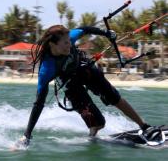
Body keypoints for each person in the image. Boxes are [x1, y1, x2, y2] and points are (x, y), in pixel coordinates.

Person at [17, 25, 150, 147]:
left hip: (85, 70)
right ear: (53, 44)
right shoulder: (47, 69)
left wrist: (106, 33)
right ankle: (92, 133)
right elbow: (39, 103)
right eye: (65, 43)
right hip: (70, 84)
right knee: (99, 123)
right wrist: (27, 135)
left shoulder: (69, 37)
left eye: (70, 41)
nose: (70, 45)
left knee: (114, 97)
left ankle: (144, 126)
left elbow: (85, 29)